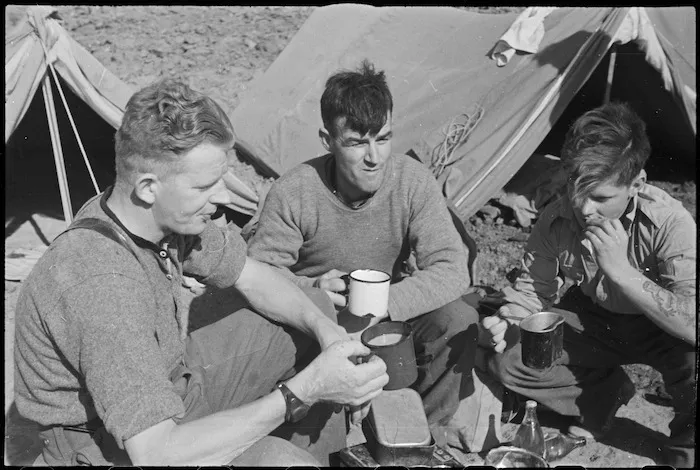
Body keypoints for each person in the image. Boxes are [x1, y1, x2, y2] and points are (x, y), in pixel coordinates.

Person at [13, 78, 390, 467]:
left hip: (168, 384)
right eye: (206, 186)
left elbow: (251, 275)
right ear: (147, 187)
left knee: (313, 308)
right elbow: (154, 454)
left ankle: (325, 453)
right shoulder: (103, 286)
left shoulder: (156, 217)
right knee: (282, 460)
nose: (224, 198)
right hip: (105, 444)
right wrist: (304, 391)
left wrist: (328, 333)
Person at [246, 59, 480, 445]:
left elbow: (453, 268)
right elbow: (258, 272)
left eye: (383, 138)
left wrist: (386, 302)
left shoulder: (411, 182)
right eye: (357, 143)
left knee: (457, 318)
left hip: (388, 322)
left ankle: (424, 435)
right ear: (328, 140)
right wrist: (311, 287)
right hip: (315, 322)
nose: (375, 157)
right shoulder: (296, 191)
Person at [479, 102, 696, 468]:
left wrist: (622, 271)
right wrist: (512, 318)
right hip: (596, 318)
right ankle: (604, 396)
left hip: (663, 327)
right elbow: (533, 292)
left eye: (600, 198)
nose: (584, 208)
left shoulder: (670, 222)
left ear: (637, 184)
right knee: (512, 357)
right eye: (576, 190)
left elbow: (692, 321)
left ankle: (684, 454)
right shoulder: (558, 216)